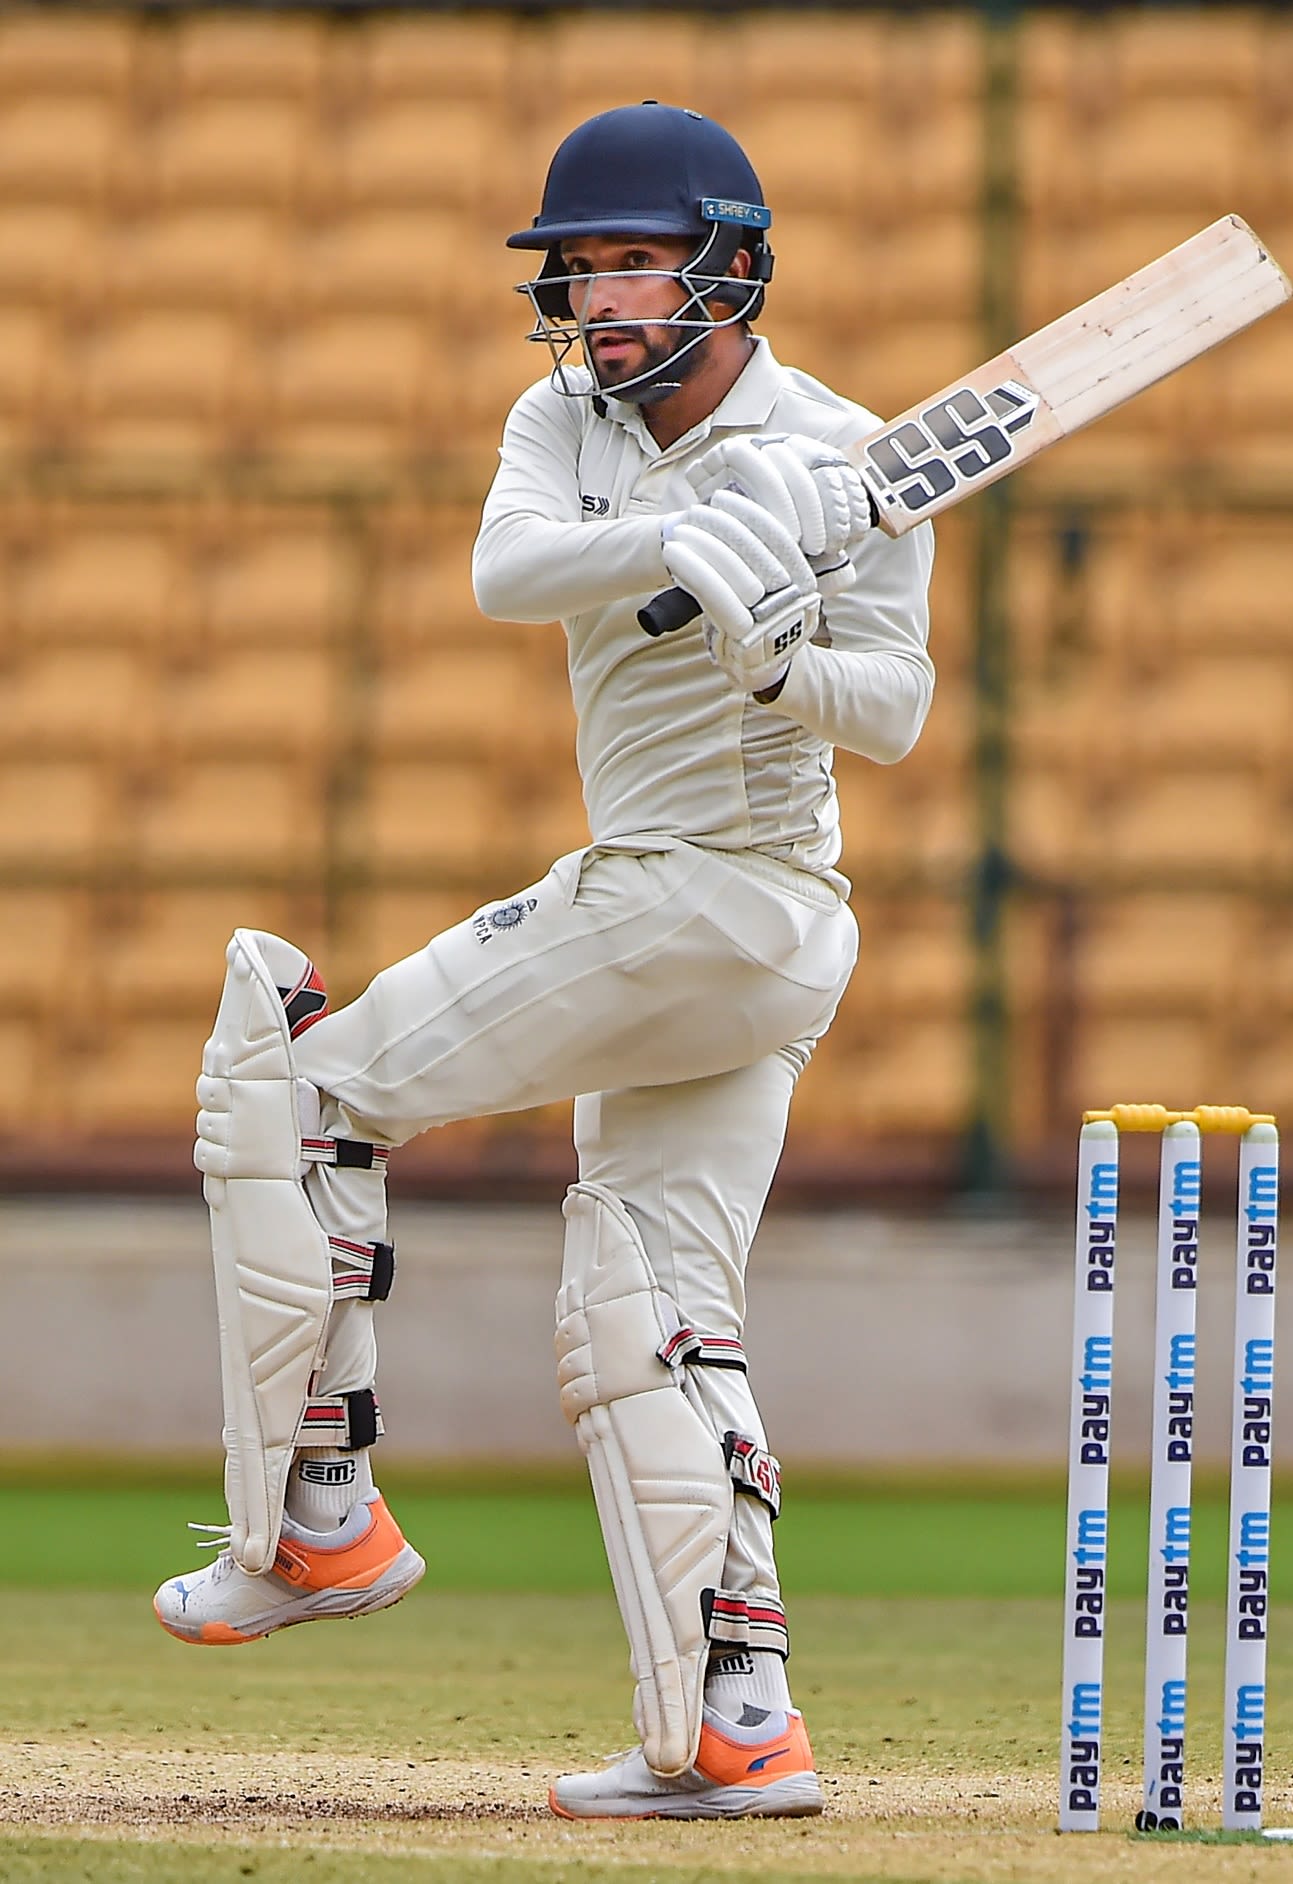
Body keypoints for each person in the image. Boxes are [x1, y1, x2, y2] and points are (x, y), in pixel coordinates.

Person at [153, 101, 934, 1821]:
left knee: (302, 1093)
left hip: (724, 895)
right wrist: (688, 536)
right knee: (654, 1302)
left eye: (633, 263)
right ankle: (735, 1725)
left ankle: (320, 1523)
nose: (600, 301)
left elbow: (897, 708)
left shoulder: (851, 452)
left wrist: (782, 643)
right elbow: (510, 573)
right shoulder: (563, 420)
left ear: (728, 267)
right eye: (577, 271)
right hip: (714, 932)